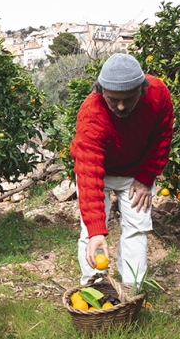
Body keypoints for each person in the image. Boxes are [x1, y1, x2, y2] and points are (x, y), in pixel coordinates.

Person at [70, 53, 174, 285]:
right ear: (100, 91)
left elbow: (161, 138)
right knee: (91, 232)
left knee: (137, 228)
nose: (121, 106)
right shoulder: (92, 115)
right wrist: (97, 231)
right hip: (100, 172)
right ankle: (94, 287)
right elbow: (88, 174)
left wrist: (146, 177)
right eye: (113, 99)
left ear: (142, 89)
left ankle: (132, 289)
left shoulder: (158, 95)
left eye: (129, 98)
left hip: (135, 172)